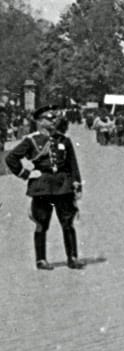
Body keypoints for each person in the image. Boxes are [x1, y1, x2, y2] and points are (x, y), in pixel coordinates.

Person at [5, 107, 84, 270]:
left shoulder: (64, 140)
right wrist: (25, 174)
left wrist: (76, 183)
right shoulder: (31, 141)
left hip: (63, 187)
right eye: (49, 118)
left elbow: (72, 164)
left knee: (68, 223)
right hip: (42, 187)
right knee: (41, 224)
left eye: (54, 118)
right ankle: (41, 260)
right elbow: (11, 158)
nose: (53, 121)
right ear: (40, 122)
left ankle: (72, 257)